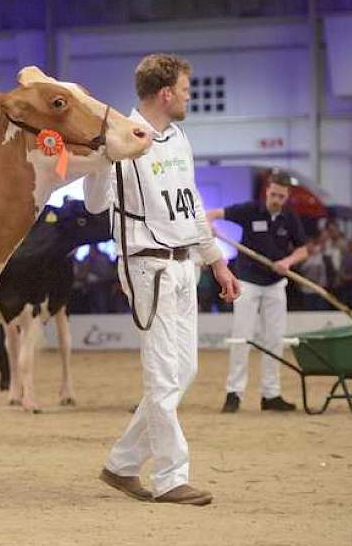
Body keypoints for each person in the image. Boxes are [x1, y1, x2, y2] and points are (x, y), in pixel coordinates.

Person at [85, 53, 240, 506]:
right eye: (187, 88)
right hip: (146, 265)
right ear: (166, 92)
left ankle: (121, 464)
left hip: (184, 263)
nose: (190, 95)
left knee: (183, 371)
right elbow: (96, 206)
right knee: (163, 378)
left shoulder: (178, 138)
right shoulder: (121, 138)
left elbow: (190, 204)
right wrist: (99, 157)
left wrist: (216, 260)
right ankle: (172, 477)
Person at [207, 172, 307, 413]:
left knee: (274, 339)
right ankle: (234, 394)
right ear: (267, 191)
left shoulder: (290, 218)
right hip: (247, 284)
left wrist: (288, 261)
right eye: (273, 194)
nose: (276, 199)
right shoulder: (249, 209)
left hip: (276, 285)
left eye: (281, 196)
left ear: (286, 196)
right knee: (242, 338)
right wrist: (209, 227)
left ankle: (270, 395)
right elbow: (211, 214)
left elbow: (303, 250)